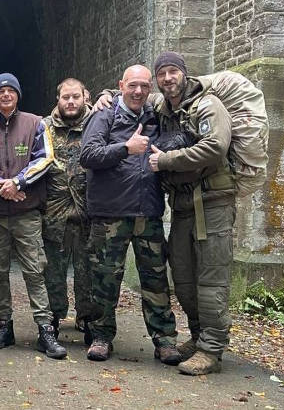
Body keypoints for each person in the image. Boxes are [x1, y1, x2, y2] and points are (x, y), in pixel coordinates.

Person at [78, 65, 180, 364]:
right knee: (105, 279)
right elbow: (88, 155)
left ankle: (165, 340)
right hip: (110, 214)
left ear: (151, 89)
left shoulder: (157, 115)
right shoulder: (104, 115)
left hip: (147, 212)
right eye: (133, 85)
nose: (138, 91)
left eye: (145, 86)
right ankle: (101, 336)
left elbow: (179, 136)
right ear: (121, 85)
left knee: (156, 279)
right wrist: (126, 147)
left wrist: (166, 148)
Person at [148, 51, 236, 375]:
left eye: (173, 71)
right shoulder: (164, 110)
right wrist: (103, 98)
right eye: (162, 74)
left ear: (184, 73)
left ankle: (211, 351)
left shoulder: (207, 105)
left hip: (212, 203)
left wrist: (167, 161)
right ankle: (199, 338)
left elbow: (216, 146)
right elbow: (131, 93)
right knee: (183, 279)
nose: (168, 78)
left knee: (211, 279)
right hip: (182, 206)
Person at [0, 73, 66, 359]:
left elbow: (46, 157)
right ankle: (4, 326)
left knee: (35, 270)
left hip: (27, 213)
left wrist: (18, 182)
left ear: (18, 95)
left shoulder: (36, 123)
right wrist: (0, 185)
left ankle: (45, 330)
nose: (6, 95)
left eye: (11, 90)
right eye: (1, 91)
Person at [41, 78, 95, 342]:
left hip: (88, 210)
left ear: (85, 97)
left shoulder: (98, 123)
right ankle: (54, 315)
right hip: (54, 210)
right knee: (53, 269)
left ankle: (87, 317)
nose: (71, 102)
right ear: (58, 99)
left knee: (88, 268)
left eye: (75, 97)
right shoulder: (44, 128)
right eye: (66, 97)